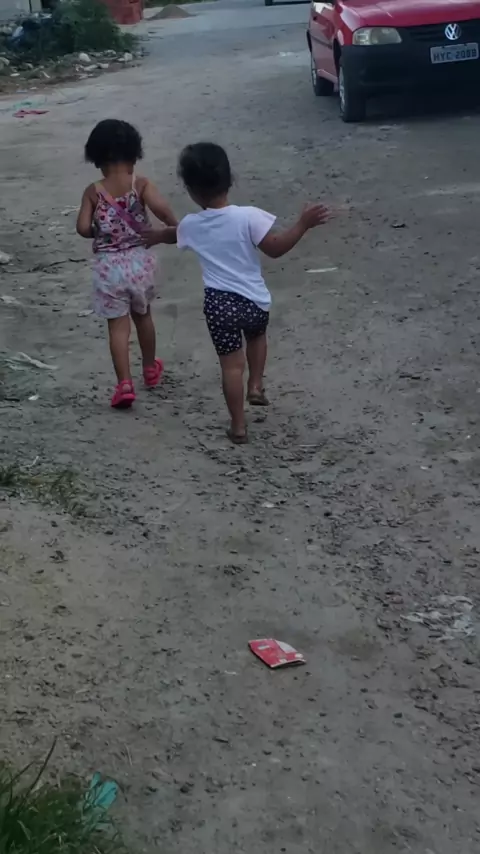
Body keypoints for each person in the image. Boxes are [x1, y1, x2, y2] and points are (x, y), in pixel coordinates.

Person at [174, 141, 331, 443]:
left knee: (231, 367)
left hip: (219, 305)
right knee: (257, 337)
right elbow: (276, 248)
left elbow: (173, 234)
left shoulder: (190, 225)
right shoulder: (248, 216)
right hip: (254, 301)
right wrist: (303, 224)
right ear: (230, 179)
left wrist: (155, 236)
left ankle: (238, 426)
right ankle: (256, 385)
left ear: (191, 190)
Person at [76, 119, 177, 409]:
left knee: (118, 328)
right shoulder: (141, 184)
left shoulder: (93, 191)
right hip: (139, 265)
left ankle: (124, 384)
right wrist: (174, 227)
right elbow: (163, 211)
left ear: (97, 159)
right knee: (143, 317)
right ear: (134, 155)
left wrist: (99, 232)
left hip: (109, 269)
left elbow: (82, 227)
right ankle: (149, 368)